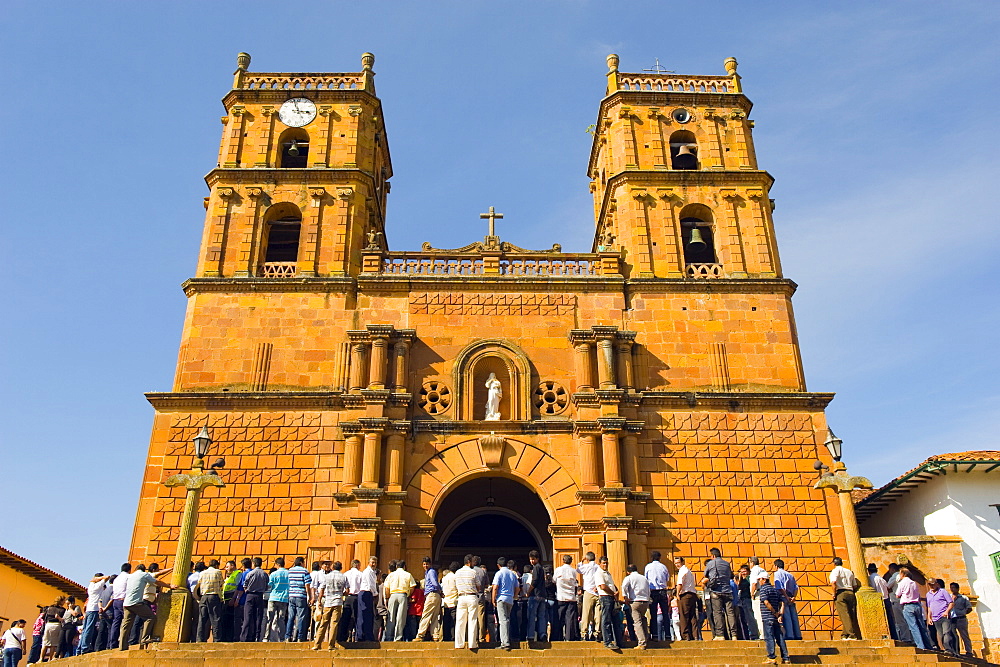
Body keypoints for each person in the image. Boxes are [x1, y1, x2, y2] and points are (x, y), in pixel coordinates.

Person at [119, 564, 176, 650]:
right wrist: (169, 586)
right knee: (150, 617)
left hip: (126, 603)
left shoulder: (130, 576)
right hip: (137, 602)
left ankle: (122, 646)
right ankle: (145, 638)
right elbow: (157, 582)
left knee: (126, 625)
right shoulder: (144, 575)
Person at [701, 548, 738, 640]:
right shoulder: (727, 564)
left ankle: (720, 634)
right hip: (728, 590)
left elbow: (705, 574)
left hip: (716, 591)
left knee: (717, 613)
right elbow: (730, 575)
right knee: (730, 613)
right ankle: (734, 635)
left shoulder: (710, 563)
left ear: (713, 556)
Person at [312, 560, 346, 650]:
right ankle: (331, 645)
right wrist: (342, 594)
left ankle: (317, 644)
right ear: (341, 568)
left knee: (323, 623)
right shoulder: (343, 576)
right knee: (334, 624)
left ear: (333, 567)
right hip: (338, 601)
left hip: (328, 601)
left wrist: (319, 601)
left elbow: (322, 589)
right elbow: (347, 590)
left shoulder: (327, 576)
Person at [757, 574, 790, 665]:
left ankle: (771, 657)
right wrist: (780, 615)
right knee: (779, 637)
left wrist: (774, 612)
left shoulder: (763, 589)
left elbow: (766, 602)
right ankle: (785, 657)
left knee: (769, 637)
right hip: (775, 618)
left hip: (768, 617)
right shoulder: (775, 590)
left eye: (760, 579)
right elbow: (782, 602)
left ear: (764, 580)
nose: (759, 581)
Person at [895, 566, 930, 649]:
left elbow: (897, 595)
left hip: (908, 606)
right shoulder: (913, 583)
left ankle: (920, 646)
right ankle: (928, 645)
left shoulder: (902, 583)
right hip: (917, 605)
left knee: (913, 627)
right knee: (922, 626)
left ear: (902, 574)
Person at [383, 559, 416, 642]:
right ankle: (398, 637)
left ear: (396, 566)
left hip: (393, 595)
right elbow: (412, 587)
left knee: (391, 617)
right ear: (404, 566)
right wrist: (408, 595)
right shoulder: (408, 574)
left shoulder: (391, 575)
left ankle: (389, 637)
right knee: (400, 618)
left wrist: (387, 598)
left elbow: (387, 588)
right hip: (402, 595)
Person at [454, 554, 482, 650]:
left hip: (461, 597)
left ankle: (459, 644)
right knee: (472, 620)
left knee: (460, 621)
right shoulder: (473, 572)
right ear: (469, 562)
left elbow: (455, 586)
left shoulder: (457, 573)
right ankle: (472, 644)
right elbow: (479, 586)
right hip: (471, 596)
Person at [828, 557, 860, 640]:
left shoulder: (835, 571)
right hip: (850, 592)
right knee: (850, 614)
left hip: (841, 593)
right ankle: (845, 634)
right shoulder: (849, 571)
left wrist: (834, 593)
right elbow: (855, 585)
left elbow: (833, 582)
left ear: (834, 564)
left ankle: (851, 634)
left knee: (844, 615)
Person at [78, 573, 110, 653]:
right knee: (89, 629)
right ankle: (85, 648)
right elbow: (107, 577)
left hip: (89, 609)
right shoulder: (98, 585)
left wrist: (95, 579)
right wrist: (100, 578)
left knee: (85, 629)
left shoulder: (91, 585)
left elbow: (92, 580)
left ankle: (80, 648)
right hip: (94, 609)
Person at [493, 556, 519, 650]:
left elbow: (495, 587)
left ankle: (505, 642)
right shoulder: (512, 574)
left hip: (501, 598)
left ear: (498, 565)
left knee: (503, 621)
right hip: (510, 599)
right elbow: (517, 587)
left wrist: (493, 599)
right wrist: (514, 596)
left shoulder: (499, 573)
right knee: (507, 620)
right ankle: (507, 639)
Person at [239, 557, 269, 642]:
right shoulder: (264, 574)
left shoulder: (250, 573)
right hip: (260, 596)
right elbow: (267, 586)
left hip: (250, 595)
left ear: (254, 564)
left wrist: (247, 591)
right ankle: (257, 637)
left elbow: (245, 585)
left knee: (247, 616)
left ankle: (244, 637)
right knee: (258, 617)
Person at [194, 559, 224, 642]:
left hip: (204, 597)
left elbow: (199, 584)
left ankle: (199, 639)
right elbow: (221, 584)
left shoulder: (202, 573)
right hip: (214, 596)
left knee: (202, 619)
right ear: (216, 565)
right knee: (215, 618)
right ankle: (217, 639)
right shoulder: (218, 572)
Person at [622, 564, 650, 650]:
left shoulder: (629, 578)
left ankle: (642, 642)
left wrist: (625, 597)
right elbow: (648, 589)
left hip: (635, 601)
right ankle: (646, 637)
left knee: (637, 622)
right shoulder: (644, 578)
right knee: (643, 619)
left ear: (628, 572)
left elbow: (623, 586)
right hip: (645, 601)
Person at [594, 556, 620, 650]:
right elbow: (603, 586)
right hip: (605, 597)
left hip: (611, 598)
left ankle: (618, 641)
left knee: (614, 620)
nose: (605, 565)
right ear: (599, 564)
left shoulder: (607, 573)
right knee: (606, 620)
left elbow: (611, 584)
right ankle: (607, 641)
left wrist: (616, 591)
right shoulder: (599, 573)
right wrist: (613, 593)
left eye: (606, 563)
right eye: (603, 563)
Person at [644, 551, 670, 642]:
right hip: (663, 591)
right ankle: (668, 635)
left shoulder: (648, 567)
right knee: (665, 614)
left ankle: (654, 635)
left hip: (653, 592)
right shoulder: (663, 567)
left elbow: (646, 580)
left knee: (653, 614)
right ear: (659, 558)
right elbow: (667, 578)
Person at [772, 560, 801, 641]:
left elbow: (780, 587)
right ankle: (797, 634)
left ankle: (789, 635)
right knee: (794, 617)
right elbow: (796, 587)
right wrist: (794, 597)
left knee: (786, 616)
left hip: (783, 596)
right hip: (791, 596)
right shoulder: (790, 575)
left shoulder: (777, 573)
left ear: (776, 566)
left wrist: (786, 596)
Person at [286, 556, 312, 642]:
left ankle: (288, 636)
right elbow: (307, 585)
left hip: (291, 595)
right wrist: (310, 596)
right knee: (301, 617)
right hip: (301, 596)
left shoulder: (290, 571)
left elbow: (288, 583)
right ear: (301, 562)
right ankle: (300, 637)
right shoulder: (305, 571)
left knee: (291, 617)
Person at [552, 555, 578, 642]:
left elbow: (553, 580)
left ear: (563, 560)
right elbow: (575, 583)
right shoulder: (573, 571)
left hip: (561, 597)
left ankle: (558, 637)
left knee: (559, 618)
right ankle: (569, 637)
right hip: (571, 597)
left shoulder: (558, 570)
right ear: (571, 561)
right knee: (569, 619)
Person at [576, 551, 601, 642]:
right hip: (598, 592)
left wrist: (582, 561)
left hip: (589, 592)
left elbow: (578, 569)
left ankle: (584, 633)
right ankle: (597, 633)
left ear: (587, 559)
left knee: (586, 613)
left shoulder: (586, 567)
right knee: (598, 614)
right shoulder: (598, 567)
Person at [867, 563, 895, 640]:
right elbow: (889, 588)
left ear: (869, 571)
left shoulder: (870, 579)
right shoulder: (881, 578)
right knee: (890, 620)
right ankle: (894, 636)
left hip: (878, 600)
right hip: (886, 599)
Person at [926, 578, 954, 654]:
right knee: (941, 635)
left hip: (944, 616)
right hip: (935, 618)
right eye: (929, 584)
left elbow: (951, 603)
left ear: (936, 584)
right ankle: (945, 648)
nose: (931, 586)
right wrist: (929, 617)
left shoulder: (943, 592)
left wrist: (947, 612)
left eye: (933, 584)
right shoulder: (928, 594)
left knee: (946, 633)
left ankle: (948, 649)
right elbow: (929, 607)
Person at [417, 557, 443, 641]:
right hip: (436, 595)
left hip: (432, 594)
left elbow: (434, 582)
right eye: (424, 564)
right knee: (435, 616)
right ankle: (435, 635)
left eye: (427, 564)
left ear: (430, 564)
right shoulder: (429, 572)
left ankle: (420, 634)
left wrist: (439, 589)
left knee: (426, 614)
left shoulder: (431, 572)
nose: (425, 566)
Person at [885, 563, 912, 642]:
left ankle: (905, 638)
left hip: (896, 601)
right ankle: (910, 638)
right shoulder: (908, 579)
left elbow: (887, 587)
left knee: (900, 621)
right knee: (907, 620)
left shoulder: (895, 576)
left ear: (892, 569)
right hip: (906, 601)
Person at [265, 557, 290, 642]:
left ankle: (266, 637)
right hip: (284, 598)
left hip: (273, 597)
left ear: (277, 565)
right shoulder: (288, 573)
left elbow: (269, 585)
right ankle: (282, 638)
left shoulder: (273, 574)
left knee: (270, 619)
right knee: (281, 619)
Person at [673, 556, 697, 640]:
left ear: (682, 562)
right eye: (675, 563)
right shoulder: (689, 571)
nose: (677, 565)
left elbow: (680, 583)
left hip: (685, 595)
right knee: (692, 616)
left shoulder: (682, 571)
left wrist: (677, 594)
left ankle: (685, 636)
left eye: (678, 563)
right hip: (692, 594)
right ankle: (695, 635)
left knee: (683, 616)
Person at [948, 582, 974, 657]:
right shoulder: (949, 597)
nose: (952, 589)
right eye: (951, 588)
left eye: (954, 588)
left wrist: (963, 612)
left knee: (964, 635)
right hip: (952, 618)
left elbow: (969, 608)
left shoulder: (963, 598)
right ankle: (956, 650)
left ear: (957, 588)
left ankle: (969, 651)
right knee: (953, 635)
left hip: (961, 618)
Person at [357, 556, 379, 642]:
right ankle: (362, 636)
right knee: (364, 615)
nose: (373, 564)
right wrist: (375, 594)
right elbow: (371, 585)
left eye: (375, 563)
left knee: (368, 615)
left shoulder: (372, 572)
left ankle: (367, 635)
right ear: (368, 563)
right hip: (366, 593)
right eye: (372, 562)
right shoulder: (368, 572)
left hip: (368, 593)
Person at [526, 550, 546, 641]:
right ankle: (543, 634)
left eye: (533, 559)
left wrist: (529, 591)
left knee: (531, 616)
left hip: (535, 595)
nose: (532, 561)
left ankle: (530, 635)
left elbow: (534, 581)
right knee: (541, 616)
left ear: (537, 559)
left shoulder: (536, 568)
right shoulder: (541, 568)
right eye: (530, 559)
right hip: (542, 595)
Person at [340, 559, 361, 643]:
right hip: (356, 597)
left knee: (345, 617)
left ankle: (343, 636)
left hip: (346, 597)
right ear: (358, 565)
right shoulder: (360, 574)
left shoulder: (345, 574)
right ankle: (355, 637)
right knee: (356, 617)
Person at [40, 597, 66, 662]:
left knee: (45, 643)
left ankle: (41, 658)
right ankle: (50, 658)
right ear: (61, 601)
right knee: (53, 644)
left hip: (48, 625)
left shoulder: (49, 608)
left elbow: (44, 618)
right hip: (57, 625)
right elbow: (63, 619)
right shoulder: (62, 610)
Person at [736, 566, 758, 640]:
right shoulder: (742, 580)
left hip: (747, 599)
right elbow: (738, 587)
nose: (743, 573)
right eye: (741, 572)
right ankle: (747, 636)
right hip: (742, 600)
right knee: (744, 619)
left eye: (744, 571)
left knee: (750, 617)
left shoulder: (749, 579)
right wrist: (740, 578)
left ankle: (754, 635)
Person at [747, 556, 767, 640]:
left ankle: (762, 634)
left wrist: (752, 594)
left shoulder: (754, 571)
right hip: (765, 592)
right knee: (765, 614)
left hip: (757, 594)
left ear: (752, 562)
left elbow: (754, 583)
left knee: (758, 615)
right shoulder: (762, 570)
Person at [441, 561, 459, 642]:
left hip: (446, 602)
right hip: (454, 601)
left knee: (446, 620)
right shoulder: (456, 577)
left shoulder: (444, 578)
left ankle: (445, 637)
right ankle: (453, 637)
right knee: (453, 621)